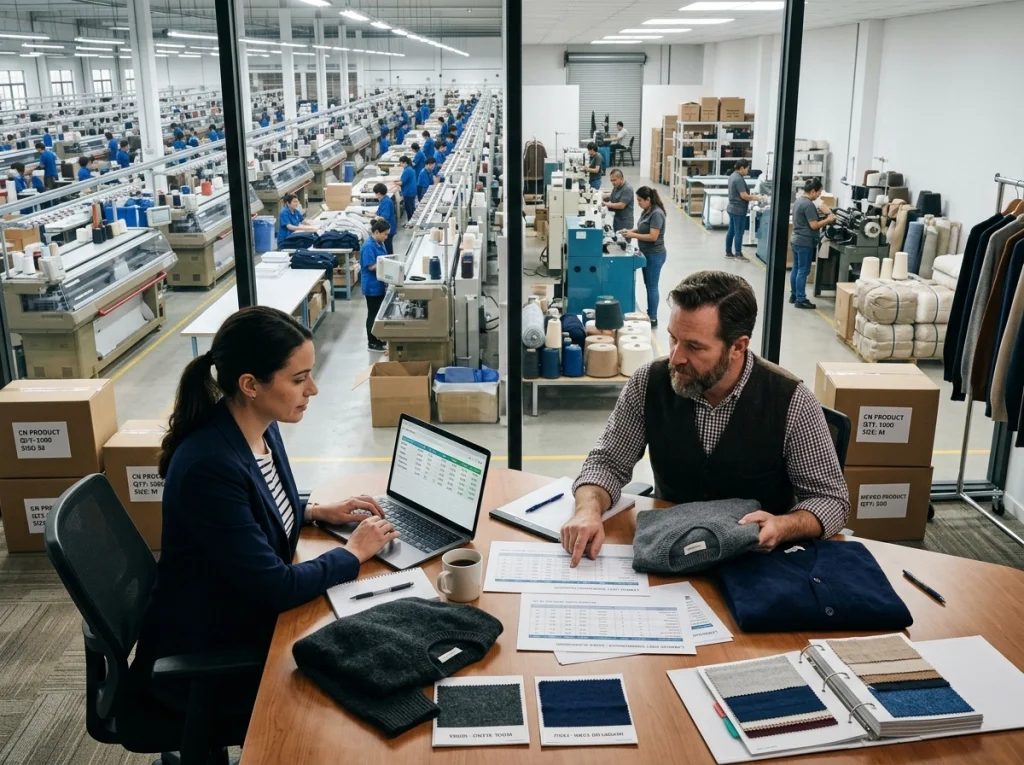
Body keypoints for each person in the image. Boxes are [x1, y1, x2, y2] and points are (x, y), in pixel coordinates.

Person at [132, 306, 399, 717]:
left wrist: (314, 511)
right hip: (210, 651)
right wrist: (352, 553)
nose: (313, 389)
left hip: (241, 610)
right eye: (298, 378)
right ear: (250, 384)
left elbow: (255, 508)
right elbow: (276, 587)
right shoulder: (210, 467)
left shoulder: (258, 428)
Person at [559, 270, 850, 567]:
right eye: (673, 339)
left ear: (737, 346)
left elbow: (831, 501)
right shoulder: (649, 382)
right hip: (670, 550)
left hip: (754, 562)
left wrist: (783, 526)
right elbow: (607, 463)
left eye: (694, 346)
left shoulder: (791, 401)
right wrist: (587, 510)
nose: (675, 358)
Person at [620, 186, 667, 326]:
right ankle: (650, 313)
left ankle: (653, 317)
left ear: (648, 200)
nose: (638, 203)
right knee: (648, 284)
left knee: (651, 286)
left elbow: (653, 236)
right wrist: (629, 231)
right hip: (646, 253)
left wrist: (633, 235)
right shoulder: (647, 211)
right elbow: (642, 227)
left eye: (640, 200)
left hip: (655, 254)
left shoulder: (657, 214)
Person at [790, 178, 835, 311]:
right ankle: (801, 299)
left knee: (796, 268)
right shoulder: (808, 204)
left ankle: (794, 295)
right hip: (805, 242)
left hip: (796, 239)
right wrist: (829, 219)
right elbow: (814, 225)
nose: (820, 195)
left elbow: (808, 220)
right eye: (819, 192)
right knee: (803, 270)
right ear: (813, 191)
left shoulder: (799, 201)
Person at [360, 219, 390, 352]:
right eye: (385, 234)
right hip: (372, 286)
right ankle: (372, 342)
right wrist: (388, 265)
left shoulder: (379, 243)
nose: (386, 237)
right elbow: (371, 266)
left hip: (379, 283)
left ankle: (378, 337)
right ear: (376, 232)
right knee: (373, 313)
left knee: (379, 312)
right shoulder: (368, 246)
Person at [726, 159, 758, 262]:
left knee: (731, 230)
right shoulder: (738, 179)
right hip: (738, 210)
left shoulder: (732, 176)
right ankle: (738, 254)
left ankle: (728, 252)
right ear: (741, 168)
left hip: (731, 208)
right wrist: (757, 197)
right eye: (747, 169)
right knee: (739, 232)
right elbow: (744, 195)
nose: (748, 171)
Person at [373, 182, 397, 255]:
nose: (376, 196)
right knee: (387, 246)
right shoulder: (384, 200)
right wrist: (370, 214)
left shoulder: (386, 202)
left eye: (376, 194)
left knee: (388, 247)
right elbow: (378, 212)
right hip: (387, 227)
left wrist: (376, 218)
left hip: (387, 228)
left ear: (379, 193)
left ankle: (390, 262)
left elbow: (384, 217)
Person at [399, 156, 417, 222]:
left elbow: (402, 182)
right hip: (412, 191)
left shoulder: (407, 170)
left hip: (408, 192)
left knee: (409, 209)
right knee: (411, 207)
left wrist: (394, 183)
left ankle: (410, 223)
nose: (400, 165)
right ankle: (411, 221)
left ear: (404, 162)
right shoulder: (410, 169)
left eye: (401, 163)